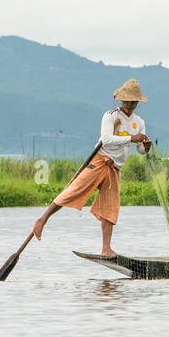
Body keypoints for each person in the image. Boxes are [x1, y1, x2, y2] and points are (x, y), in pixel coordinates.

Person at [31, 79, 152, 257]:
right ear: (121, 100)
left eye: (134, 102)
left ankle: (106, 249)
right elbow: (106, 139)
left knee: (110, 209)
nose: (130, 105)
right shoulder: (111, 116)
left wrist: (145, 147)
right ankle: (42, 220)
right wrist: (132, 139)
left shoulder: (139, 122)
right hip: (100, 161)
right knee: (73, 191)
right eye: (127, 101)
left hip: (115, 169)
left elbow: (141, 150)